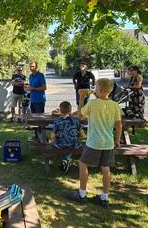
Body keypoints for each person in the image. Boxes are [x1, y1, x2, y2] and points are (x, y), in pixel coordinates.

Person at [70, 78, 122, 208]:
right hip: (108, 142)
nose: (93, 89)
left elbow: (80, 116)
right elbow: (119, 125)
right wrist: (117, 140)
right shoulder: (115, 105)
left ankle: (82, 194)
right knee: (106, 168)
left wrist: (81, 97)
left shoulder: (92, 104)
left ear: (99, 89)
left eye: (95, 87)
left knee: (82, 163)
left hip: (94, 142)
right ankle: (104, 197)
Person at [51, 101, 84, 173]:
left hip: (61, 145)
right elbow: (83, 135)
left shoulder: (57, 121)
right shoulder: (76, 121)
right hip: (74, 145)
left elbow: (52, 135)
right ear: (71, 110)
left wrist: (53, 141)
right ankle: (66, 159)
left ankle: (65, 159)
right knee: (72, 143)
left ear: (60, 110)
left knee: (58, 143)